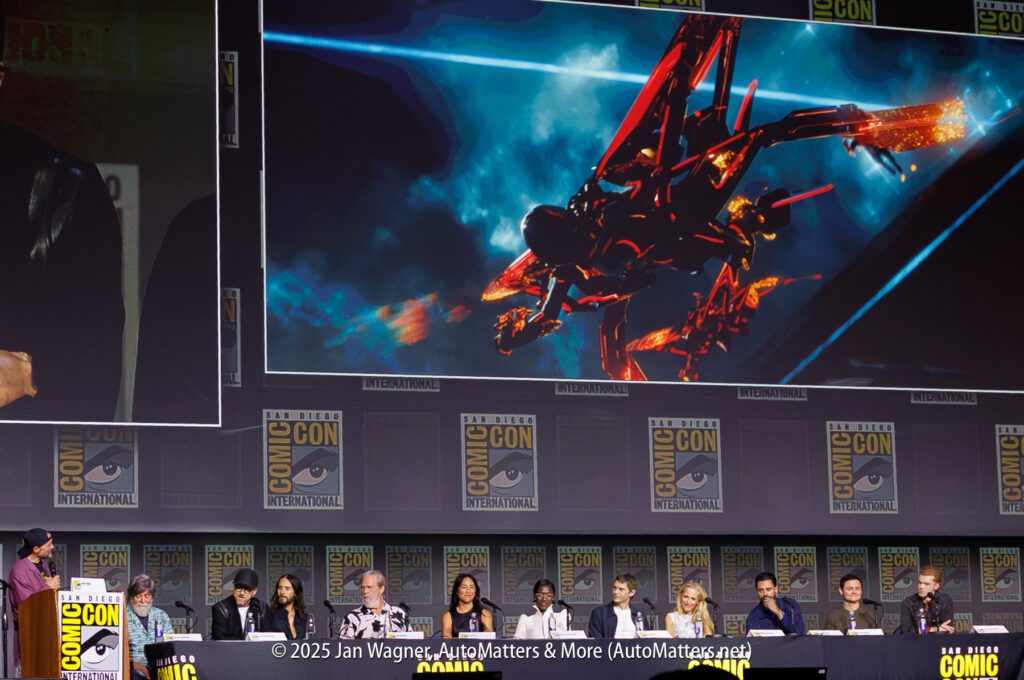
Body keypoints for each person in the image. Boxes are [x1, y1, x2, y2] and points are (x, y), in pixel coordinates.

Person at [7, 528, 61, 671]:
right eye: (49, 544)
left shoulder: (42, 565)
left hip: (47, 636)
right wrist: (48, 587)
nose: (52, 547)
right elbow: (26, 607)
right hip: (31, 640)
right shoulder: (19, 571)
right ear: (36, 549)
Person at [126, 574, 172, 680]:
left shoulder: (161, 615)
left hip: (160, 671)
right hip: (131, 673)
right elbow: (116, 655)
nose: (143, 601)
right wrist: (142, 669)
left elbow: (170, 646)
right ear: (131, 597)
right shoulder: (121, 616)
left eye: (147, 596)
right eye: (138, 596)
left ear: (152, 597)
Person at [339, 570, 410, 639]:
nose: (365, 591)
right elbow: (344, 646)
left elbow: (411, 643)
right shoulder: (352, 617)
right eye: (362, 587)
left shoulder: (399, 613)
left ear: (381, 589)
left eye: (369, 587)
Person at [211, 568, 267, 640]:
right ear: (233, 587)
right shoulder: (221, 608)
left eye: (247, 589)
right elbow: (220, 638)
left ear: (254, 591)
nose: (242, 593)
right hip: (229, 647)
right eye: (239, 588)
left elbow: (269, 636)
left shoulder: (262, 608)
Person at [587, 573, 645, 639]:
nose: (615, 592)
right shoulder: (599, 613)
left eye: (621, 589)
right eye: (614, 588)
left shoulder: (639, 615)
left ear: (632, 593)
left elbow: (646, 641)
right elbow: (595, 642)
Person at [899, 565, 954, 634]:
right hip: (915, 640)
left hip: (939, 640)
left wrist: (924, 630)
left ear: (936, 586)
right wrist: (934, 629)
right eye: (920, 583)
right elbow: (908, 631)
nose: (921, 587)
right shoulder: (908, 603)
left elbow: (947, 628)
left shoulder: (944, 600)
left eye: (926, 584)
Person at [442, 573, 493, 638]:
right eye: (464, 587)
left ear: (476, 591)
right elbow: (446, 637)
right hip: (457, 645)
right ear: (457, 591)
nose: (468, 591)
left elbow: (489, 636)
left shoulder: (484, 613)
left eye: (472, 587)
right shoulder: (448, 615)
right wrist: (465, 638)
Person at [268, 574, 309, 640]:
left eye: (287, 589)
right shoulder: (270, 615)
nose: (282, 592)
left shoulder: (303, 618)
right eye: (280, 588)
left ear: (295, 593)